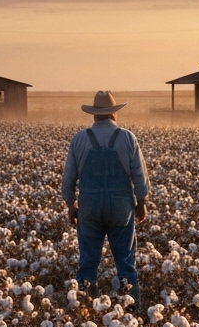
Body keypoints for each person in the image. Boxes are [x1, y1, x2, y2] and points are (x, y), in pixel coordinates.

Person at [62, 90, 150, 307]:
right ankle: (132, 309)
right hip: (121, 207)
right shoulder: (127, 138)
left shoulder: (80, 139)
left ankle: (84, 308)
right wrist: (142, 202)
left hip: (89, 207)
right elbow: (140, 175)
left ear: (94, 114)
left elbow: (69, 176)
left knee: (88, 261)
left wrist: (70, 204)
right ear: (114, 113)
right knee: (125, 261)